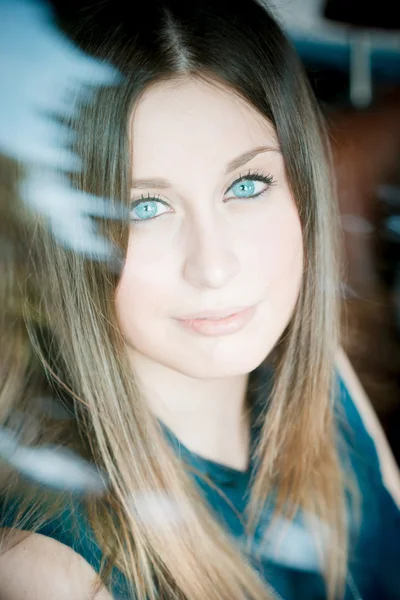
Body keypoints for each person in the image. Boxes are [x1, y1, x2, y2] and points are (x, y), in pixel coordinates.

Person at [0, 1, 399, 599]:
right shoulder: (50, 566)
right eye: (145, 208)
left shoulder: (317, 379)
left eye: (246, 186)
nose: (213, 266)